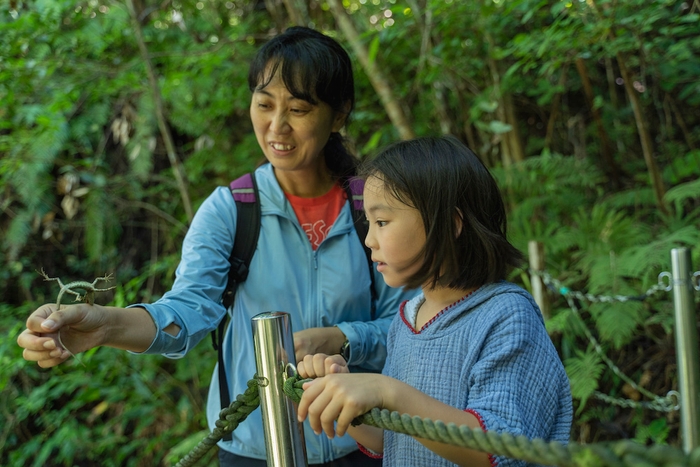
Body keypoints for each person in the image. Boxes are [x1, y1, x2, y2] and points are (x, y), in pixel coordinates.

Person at [17, 26, 416, 466]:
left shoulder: (372, 208)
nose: (276, 126)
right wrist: (104, 326)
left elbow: (411, 326)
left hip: (359, 442)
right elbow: (187, 314)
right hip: (252, 449)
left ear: (338, 115)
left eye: (298, 109)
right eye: (264, 105)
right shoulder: (231, 211)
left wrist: (344, 338)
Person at [295, 135, 573, 467]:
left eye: (382, 222)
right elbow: (393, 437)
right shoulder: (407, 318)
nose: (369, 239)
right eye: (368, 223)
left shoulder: (506, 315)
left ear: (450, 224)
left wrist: (387, 391)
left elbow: (503, 448)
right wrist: (344, 393)